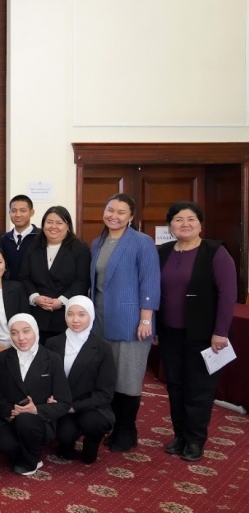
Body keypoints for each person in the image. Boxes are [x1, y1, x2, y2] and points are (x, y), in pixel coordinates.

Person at [157, 201, 237, 462]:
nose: (185, 224)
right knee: (175, 386)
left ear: (200, 224)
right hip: (169, 332)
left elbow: (228, 295)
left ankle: (195, 440)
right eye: (178, 219)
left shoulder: (215, 252)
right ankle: (180, 436)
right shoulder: (163, 252)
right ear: (170, 225)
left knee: (199, 389)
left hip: (204, 334)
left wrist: (221, 331)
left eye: (191, 219)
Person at [90, 193, 160, 452]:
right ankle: (113, 425)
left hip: (131, 322)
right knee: (108, 377)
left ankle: (127, 430)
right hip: (100, 320)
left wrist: (146, 319)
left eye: (121, 212)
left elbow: (150, 281)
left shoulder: (142, 242)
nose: (114, 216)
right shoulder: (98, 242)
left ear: (131, 217)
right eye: (110, 210)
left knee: (128, 379)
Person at [0, 313, 72, 475]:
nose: (21, 338)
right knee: (3, 444)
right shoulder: (3, 358)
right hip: (8, 418)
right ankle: (26, 451)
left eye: (26, 331)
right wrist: (9, 410)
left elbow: (64, 401)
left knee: (26, 420)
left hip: (38, 421)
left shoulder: (52, 359)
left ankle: (30, 461)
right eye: (14, 333)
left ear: (35, 330)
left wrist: (37, 410)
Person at [45, 296, 115, 464]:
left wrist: (75, 407)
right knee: (64, 435)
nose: (75, 320)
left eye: (81, 314)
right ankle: (67, 444)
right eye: (70, 314)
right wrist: (50, 397)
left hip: (92, 405)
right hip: (62, 403)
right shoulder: (52, 343)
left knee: (92, 424)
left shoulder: (102, 348)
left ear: (91, 315)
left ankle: (92, 443)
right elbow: (45, 377)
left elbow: (105, 393)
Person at [18, 206, 92, 344]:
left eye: (59, 223)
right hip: (37, 314)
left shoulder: (79, 248)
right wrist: (35, 297)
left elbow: (82, 280)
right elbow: (24, 277)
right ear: (43, 225)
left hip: (65, 315)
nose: (53, 226)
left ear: (68, 226)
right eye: (49, 222)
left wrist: (61, 301)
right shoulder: (34, 246)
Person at [0, 195, 39, 279]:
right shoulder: (4, 239)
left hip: (35, 287)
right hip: (9, 286)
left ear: (32, 212)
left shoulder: (41, 237)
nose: (18, 214)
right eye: (14, 211)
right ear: (9, 213)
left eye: (22, 210)